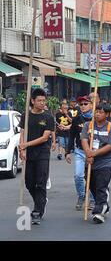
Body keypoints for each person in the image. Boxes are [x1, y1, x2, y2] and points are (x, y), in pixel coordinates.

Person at [19, 88, 55, 225]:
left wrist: (26, 144)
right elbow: (22, 132)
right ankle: (41, 201)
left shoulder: (48, 117)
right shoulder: (25, 116)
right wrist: (22, 148)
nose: (42, 103)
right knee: (29, 182)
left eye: (43, 100)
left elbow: (45, 138)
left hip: (42, 153)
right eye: (39, 100)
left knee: (40, 182)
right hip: (28, 154)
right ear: (32, 101)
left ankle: (37, 211)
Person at [80, 104, 111, 224]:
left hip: (105, 163)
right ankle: (103, 205)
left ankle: (99, 212)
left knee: (101, 186)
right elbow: (84, 140)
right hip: (90, 162)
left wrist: (94, 154)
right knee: (92, 186)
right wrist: (88, 154)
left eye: (100, 112)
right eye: (96, 112)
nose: (97, 114)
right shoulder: (88, 125)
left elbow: (110, 145)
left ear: (106, 114)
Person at [65, 96, 95, 211]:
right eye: (81, 104)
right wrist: (67, 152)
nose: (83, 106)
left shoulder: (96, 118)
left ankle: (93, 199)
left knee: (91, 177)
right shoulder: (77, 119)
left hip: (93, 152)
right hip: (80, 151)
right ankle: (81, 196)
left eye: (85, 104)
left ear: (91, 105)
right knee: (78, 175)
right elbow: (72, 135)